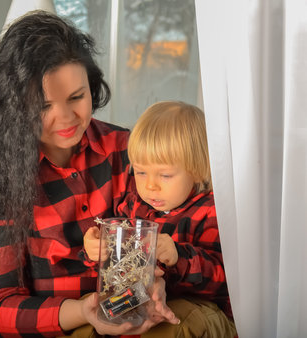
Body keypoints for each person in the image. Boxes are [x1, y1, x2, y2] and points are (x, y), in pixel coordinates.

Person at [0, 11, 179, 337]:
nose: (66, 118)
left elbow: (152, 241)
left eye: (77, 97)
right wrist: (83, 311)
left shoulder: (124, 150)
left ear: (92, 87)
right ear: (14, 106)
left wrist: (153, 283)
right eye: (43, 106)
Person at [83, 101, 237, 337]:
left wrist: (179, 257)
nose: (150, 185)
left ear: (197, 169)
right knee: (94, 309)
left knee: (178, 326)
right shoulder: (134, 206)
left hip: (200, 308)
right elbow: (118, 267)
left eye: (164, 175)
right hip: (142, 301)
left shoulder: (211, 211)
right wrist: (96, 250)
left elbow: (224, 279)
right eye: (141, 172)